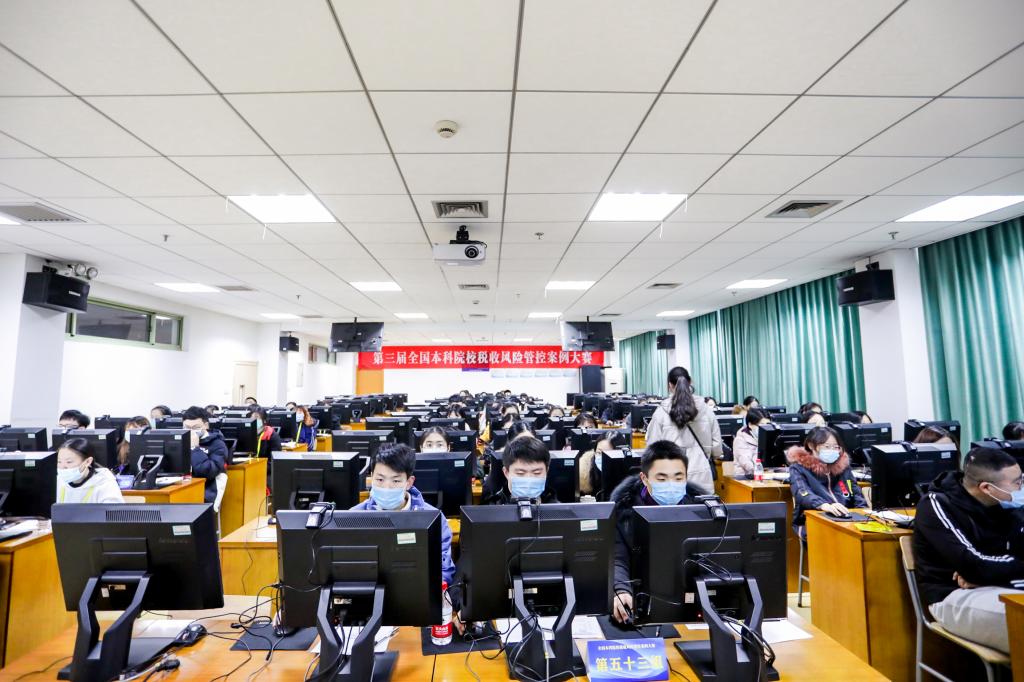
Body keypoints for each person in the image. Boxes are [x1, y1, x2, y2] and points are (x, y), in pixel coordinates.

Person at [913, 447, 1024, 654]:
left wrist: (990, 575)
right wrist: (984, 572)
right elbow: (973, 565)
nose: (1021, 487)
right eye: (1017, 483)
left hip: (1003, 585)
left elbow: (979, 570)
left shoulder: (1009, 504)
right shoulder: (936, 504)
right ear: (987, 488)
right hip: (954, 594)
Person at [610, 441, 698, 623]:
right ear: (644, 478)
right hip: (638, 604)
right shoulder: (622, 512)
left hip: (688, 605)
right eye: (662, 479)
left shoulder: (699, 510)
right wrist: (621, 589)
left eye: (678, 478)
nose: (671, 485)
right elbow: (617, 558)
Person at [351, 443, 455, 586]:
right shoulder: (354, 517)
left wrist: (437, 586)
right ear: (371, 477)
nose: (387, 487)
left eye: (396, 481)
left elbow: (444, 568)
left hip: (417, 590)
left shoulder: (433, 518)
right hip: (367, 592)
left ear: (409, 482)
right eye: (380, 479)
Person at [644, 367, 722, 495]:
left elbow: (652, 448)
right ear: (690, 382)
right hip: (701, 474)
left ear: (670, 385)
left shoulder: (660, 413)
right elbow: (717, 448)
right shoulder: (706, 410)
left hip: (670, 476)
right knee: (701, 507)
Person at [787, 426, 867, 537]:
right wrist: (823, 505)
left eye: (836, 447)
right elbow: (802, 493)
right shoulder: (798, 468)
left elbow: (856, 493)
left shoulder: (843, 467)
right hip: (814, 521)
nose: (832, 450)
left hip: (848, 521)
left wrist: (863, 514)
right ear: (811, 445)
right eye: (827, 446)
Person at [483, 435, 558, 504]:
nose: (529, 479)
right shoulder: (492, 507)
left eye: (537, 473)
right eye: (520, 473)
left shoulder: (559, 510)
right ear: (506, 473)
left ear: (546, 472)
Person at [181, 405, 229, 504]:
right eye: (187, 427)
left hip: (206, 492)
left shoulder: (218, 444)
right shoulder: (179, 441)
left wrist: (194, 448)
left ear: (206, 425)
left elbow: (208, 472)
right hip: (181, 487)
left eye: (196, 427)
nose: (191, 431)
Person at [56, 437, 124, 504]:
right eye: (59, 461)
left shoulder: (104, 483)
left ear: (88, 462)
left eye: (69, 462)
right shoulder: (58, 480)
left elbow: (112, 510)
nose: (62, 467)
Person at [579, 432, 620, 497]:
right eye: (599, 453)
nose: (602, 457)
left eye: (608, 454)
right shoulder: (584, 476)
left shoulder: (627, 480)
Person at [732, 408, 770, 477]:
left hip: (765, 475)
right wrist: (760, 471)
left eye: (767, 425)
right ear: (750, 424)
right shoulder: (740, 439)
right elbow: (746, 463)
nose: (765, 428)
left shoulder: (767, 437)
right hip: (745, 477)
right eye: (761, 425)